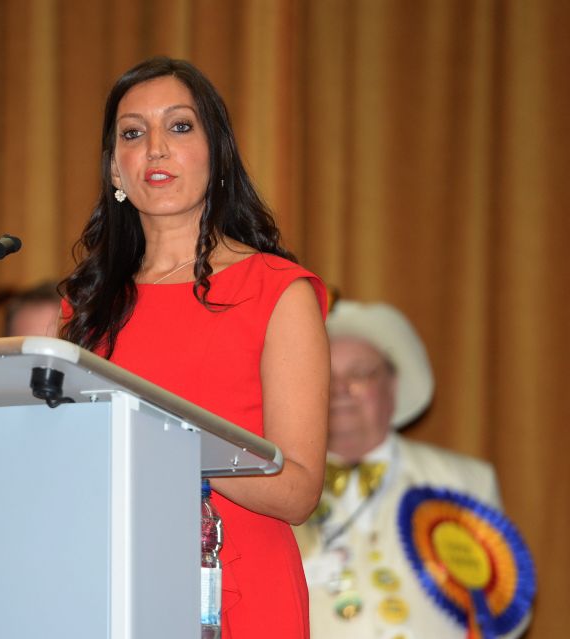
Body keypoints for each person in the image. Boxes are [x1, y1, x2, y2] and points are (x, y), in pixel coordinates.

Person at [60, 57, 329, 637]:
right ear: (114, 168)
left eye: (179, 127)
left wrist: (168, 437)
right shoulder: (83, 306)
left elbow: (299, 491)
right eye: (133, 133)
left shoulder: (276, 292)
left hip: (239, 593)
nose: (155, 148)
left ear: (218, 153)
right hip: (109, 591)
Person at [293, 300, 530, 637]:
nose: (341, 389)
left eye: (360, 373)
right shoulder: (276, 488)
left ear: (393, 386)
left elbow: (505, 610)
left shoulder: (467, 481)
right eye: (326, 375)